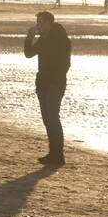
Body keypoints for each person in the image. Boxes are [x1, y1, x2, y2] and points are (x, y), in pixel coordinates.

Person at [24, 11, 71, 166]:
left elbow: (65, 64)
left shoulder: (61, 38)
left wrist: (55, 79)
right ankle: (53, 153)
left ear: (48, 23)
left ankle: (59, 155)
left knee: (53, 117)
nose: (38, 25)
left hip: (55, 83)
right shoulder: (43, 39)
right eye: (37, 22)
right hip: (42, 83)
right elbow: (29, 54)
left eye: (41, 22)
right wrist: (29, 38)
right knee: (47, 119)